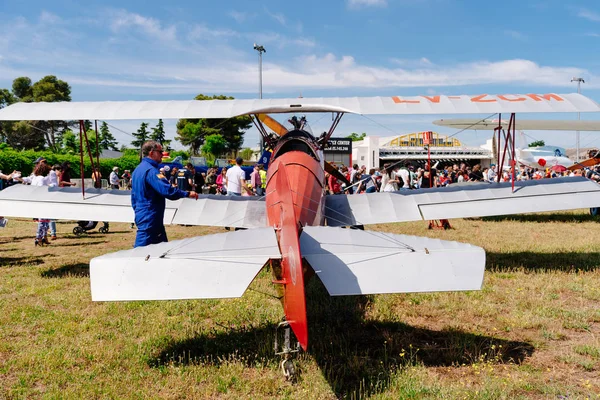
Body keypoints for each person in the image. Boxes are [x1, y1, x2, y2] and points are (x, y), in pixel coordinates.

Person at [131, 141, 198, 247]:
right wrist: (187, 193)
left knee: (161, 249)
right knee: (140, 253)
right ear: (152, 152)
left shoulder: (138, 170)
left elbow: (134, 197)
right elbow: (168, 191)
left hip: (143, 213)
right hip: (150, 216)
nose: (163, 154)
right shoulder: (152, 171)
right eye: (160, 151)